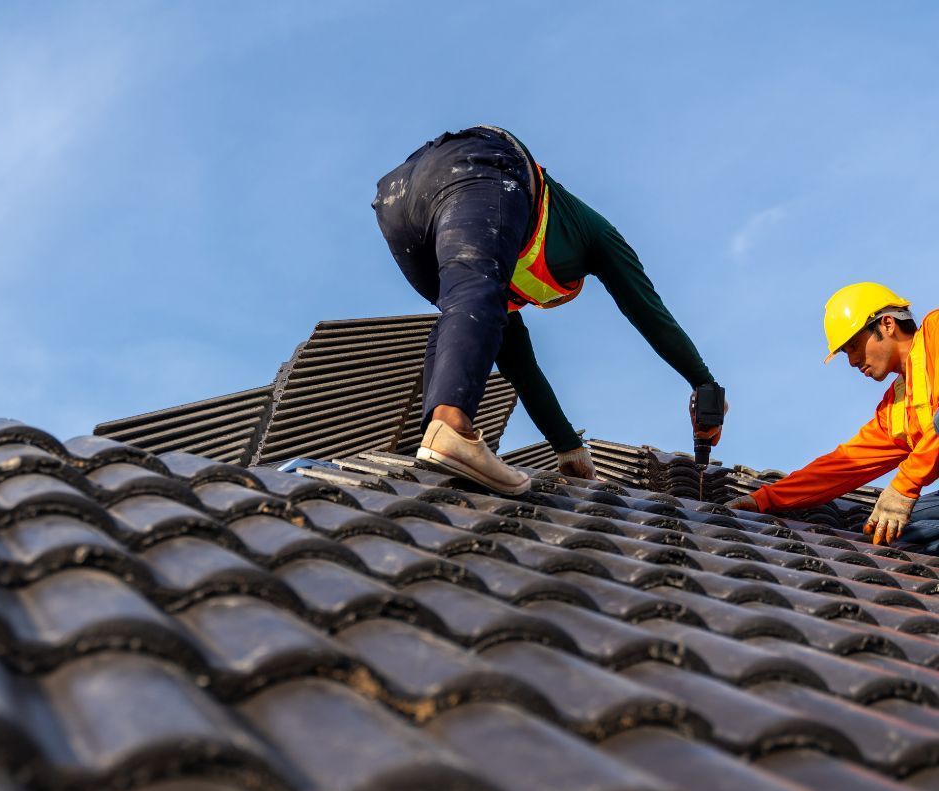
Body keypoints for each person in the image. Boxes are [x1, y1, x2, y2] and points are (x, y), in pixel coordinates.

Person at [372, 124, 726, 495]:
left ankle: (435, 439)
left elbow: (522, 368)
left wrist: (567, 446)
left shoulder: (499, 271)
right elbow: (648, 310)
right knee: (477, 296)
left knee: (461, 316)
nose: (535, 303)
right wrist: (703, 384)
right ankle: (450, 426)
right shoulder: (594, 235)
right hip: (480, 164)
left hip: (398, 201)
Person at [729, 283, 939, 552]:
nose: (852, 361)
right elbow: (843, 465)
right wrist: (764, 499)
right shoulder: (897, 408)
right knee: (897, 533)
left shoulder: (935, 331)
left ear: (887, 324)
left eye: (854, 345)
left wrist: (905, 485)